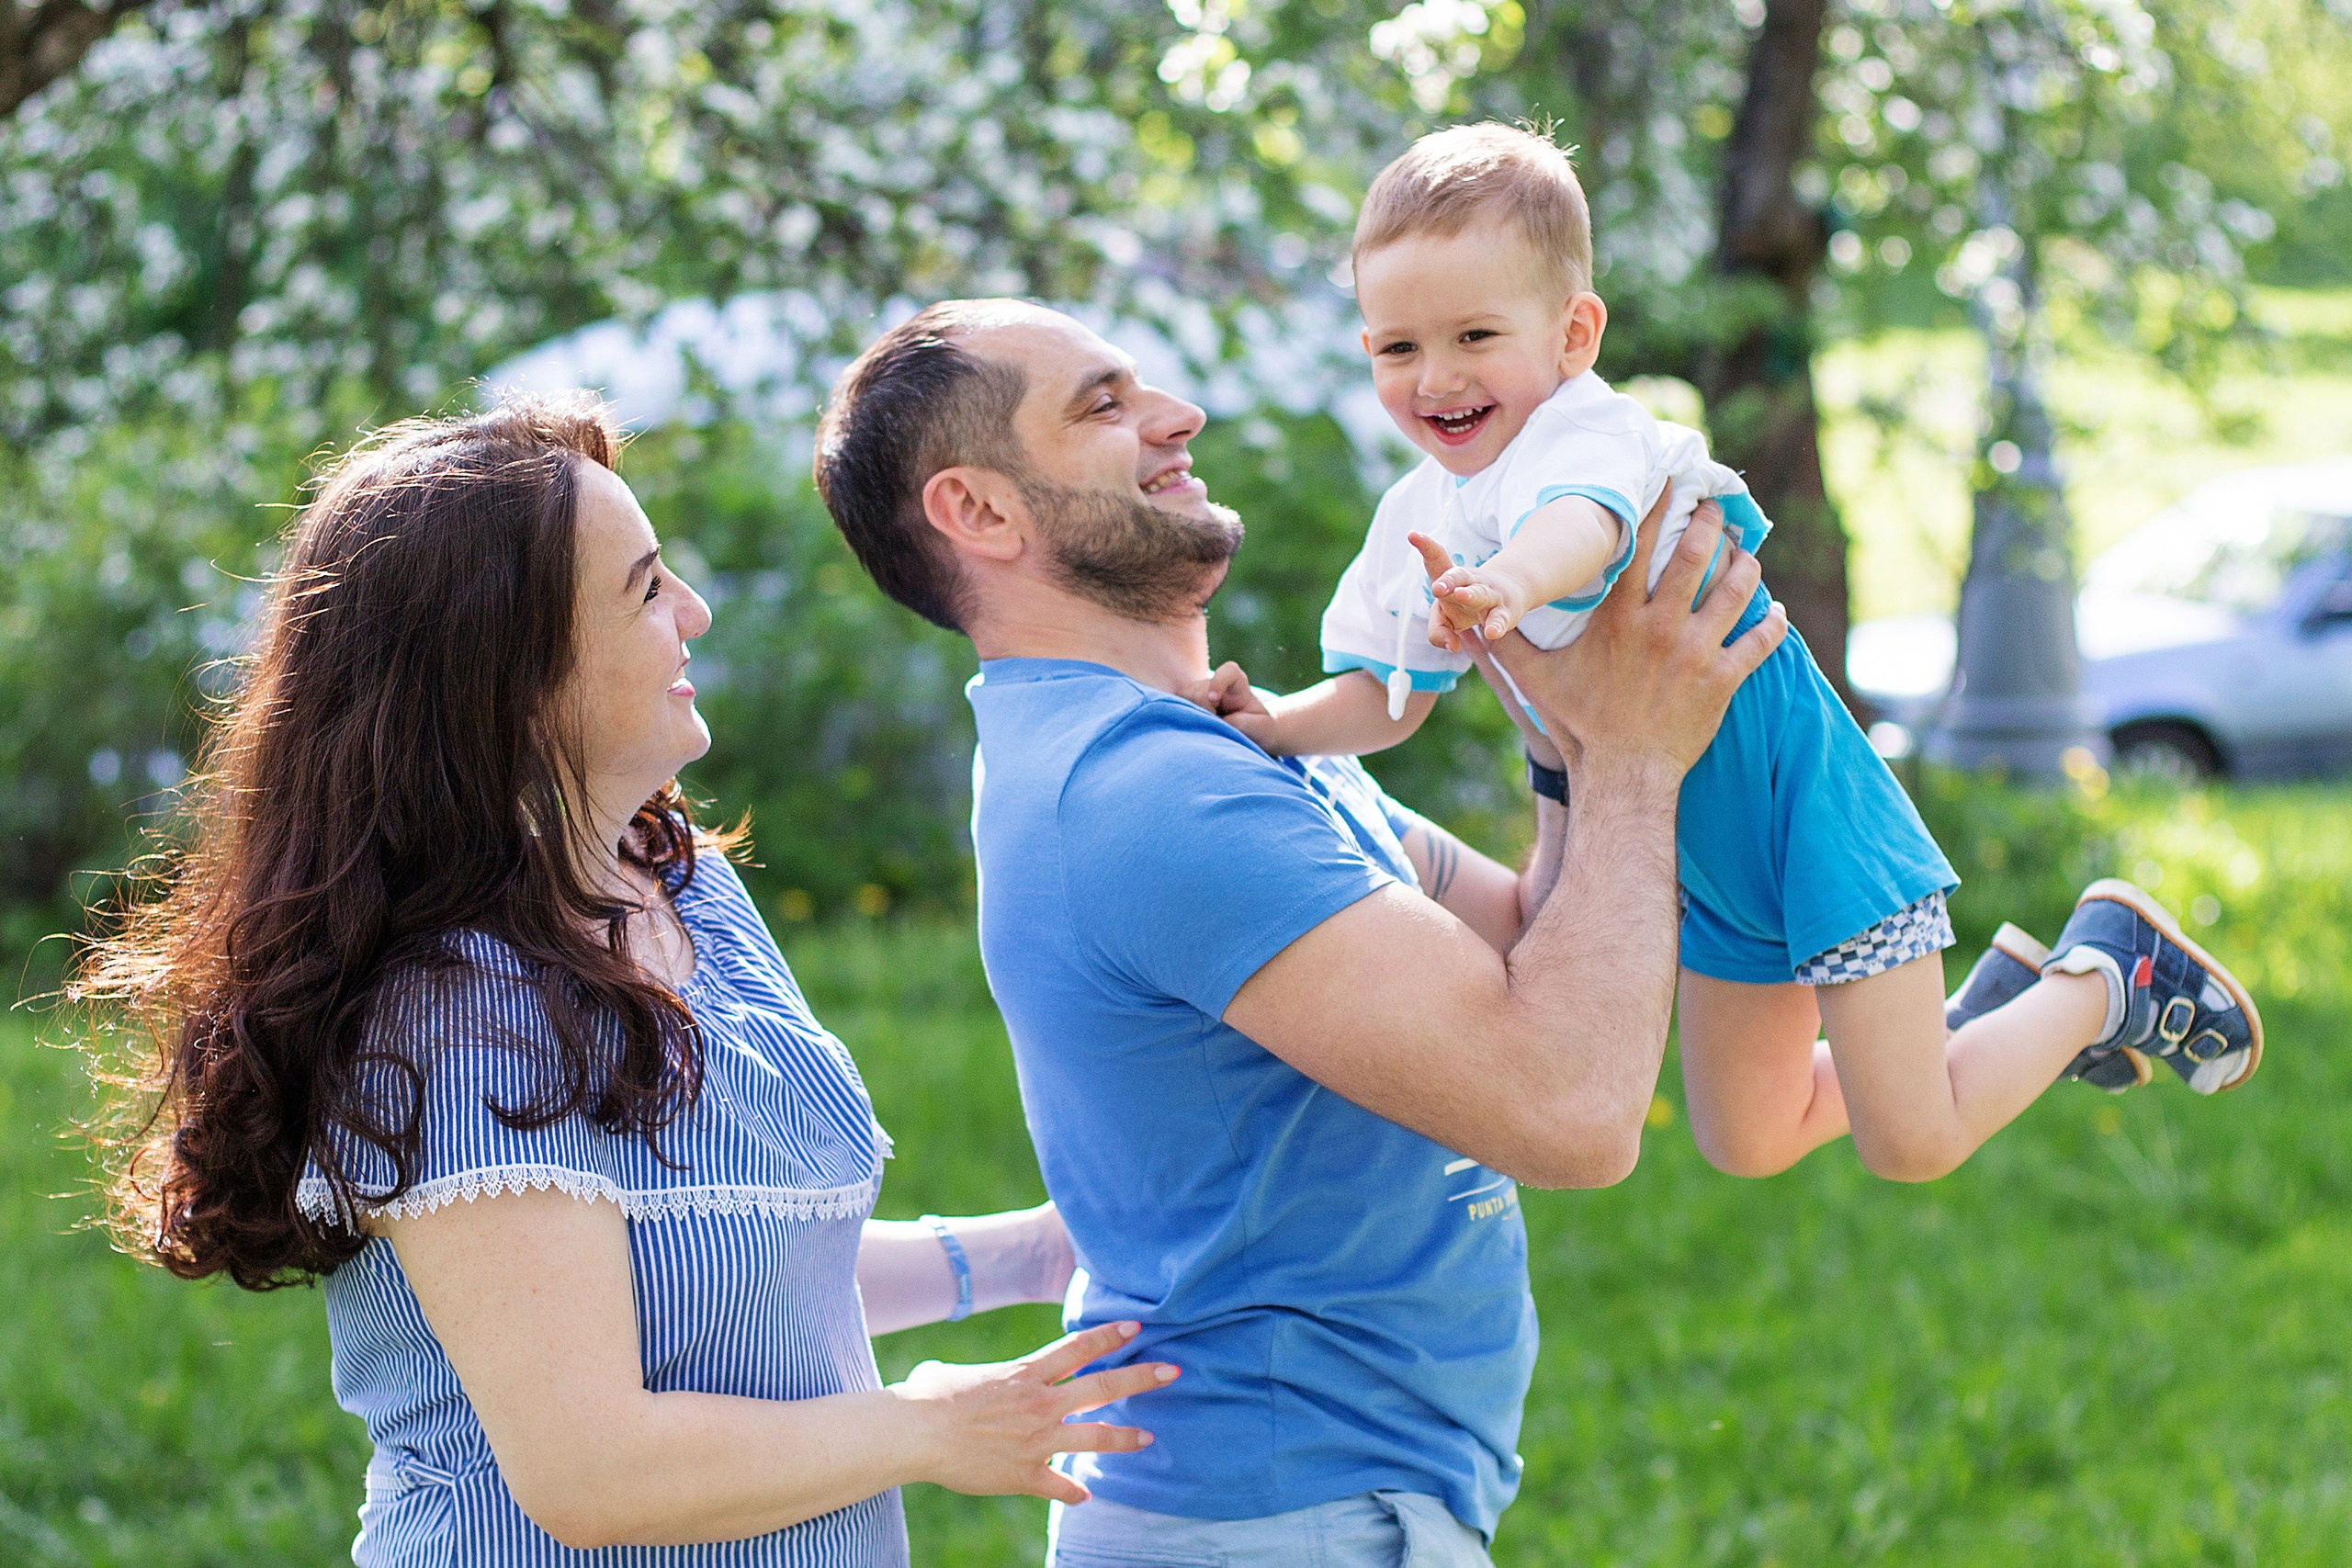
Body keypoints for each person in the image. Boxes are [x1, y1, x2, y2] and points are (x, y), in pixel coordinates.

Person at [72, 393, 1177, 1567]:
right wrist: (926, 1430)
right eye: (648, 589)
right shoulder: (459, 1021)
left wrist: (1037, 1252)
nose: (693, 612)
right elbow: (594, 1473)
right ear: (511, 673)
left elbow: (721, 1281)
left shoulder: (676, 881)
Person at [812, 297, 1785, 1566]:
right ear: (983, 512)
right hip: (1279, 1517)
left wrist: (1567, 744)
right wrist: (1636, 757)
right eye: (1104, 406)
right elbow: (1573, 1108)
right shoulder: (1151, 796)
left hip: (1329, 1505)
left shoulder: (1229, 745)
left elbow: (1541, 956)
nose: (1178, 415)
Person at [1194, 121, 2263, 1187]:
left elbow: (1587, 528)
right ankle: (1982, 1020)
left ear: (1573, 336)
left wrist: (1510, 583)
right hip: (1692, 853)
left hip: (1803, 810)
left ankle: (2105, 973)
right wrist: (1282, 726)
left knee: (1913, 1140)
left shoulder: (1586, 435)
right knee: (1749, 1137)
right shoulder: (1418, 514)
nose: (1436, 377)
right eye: (1397, 347)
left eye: (1475, 337)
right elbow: (1386, 696)